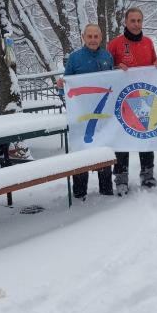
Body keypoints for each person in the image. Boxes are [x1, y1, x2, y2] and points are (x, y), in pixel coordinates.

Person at [107, 7, 157, 195]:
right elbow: (105, 70)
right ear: (125, 22)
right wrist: (115, 67)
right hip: (122, 100)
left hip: (145, 98)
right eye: (133, 21)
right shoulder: (115, 44)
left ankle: (147, 174)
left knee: (145, 137)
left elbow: (155, 63)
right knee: (122, 140)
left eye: (139, 20)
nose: (136, 24)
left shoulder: (148, 42)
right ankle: (121, 178)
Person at [57, 24, 114, 199]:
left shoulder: (107, 56)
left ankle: (105, 190)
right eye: (89, 36)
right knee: (81, 151)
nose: (93, 40)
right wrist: (61, 88)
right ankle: (80, 192)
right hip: (81, 115)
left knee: (102, 150)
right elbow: (65, 86)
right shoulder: (74, 58)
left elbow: (113, 82)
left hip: (102, 114)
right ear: (83, 37)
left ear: (101, 37)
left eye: (96, 36)